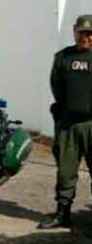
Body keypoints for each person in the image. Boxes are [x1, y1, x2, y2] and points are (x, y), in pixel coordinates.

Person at [39, 14, 92, 229]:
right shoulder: (63, 57)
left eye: (90, 34)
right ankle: (63, 213)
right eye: (82, 33)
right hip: (69, 124)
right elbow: (56, 86)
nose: (86, 38)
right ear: (74, 32)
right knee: (65, 171)